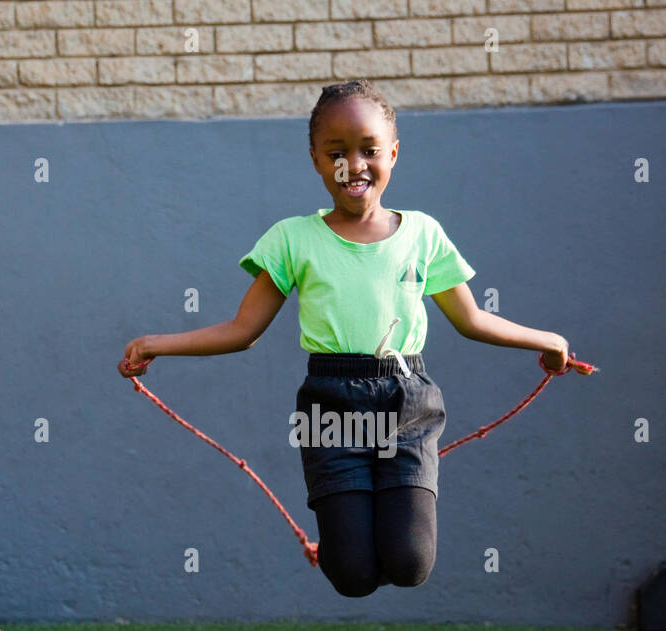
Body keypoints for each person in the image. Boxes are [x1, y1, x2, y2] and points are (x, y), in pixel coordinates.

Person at [120, 79, 572, 598]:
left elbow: (471, 318)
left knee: (409, 562)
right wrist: (157, 343)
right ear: (315, 159)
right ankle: (341, 544)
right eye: (336, 152)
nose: (353, 165)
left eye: (369, 151)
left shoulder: (423, 234)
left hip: (408, 403)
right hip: (330, 405)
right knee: (353, 575)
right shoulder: (292, 239)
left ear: (394, 154)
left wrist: (544, 339)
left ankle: (375, 527)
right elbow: (242, 331)